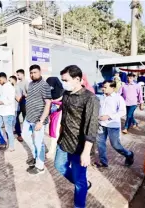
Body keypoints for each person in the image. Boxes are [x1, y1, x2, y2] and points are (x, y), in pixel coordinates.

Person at [55, 65, 99, 208]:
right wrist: (58, 137)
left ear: (78, 79)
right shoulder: (66, 94)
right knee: (59, 165)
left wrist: (86, 152)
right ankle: (83, 185)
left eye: (66, 80)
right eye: (62, 80)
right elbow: (64, 118)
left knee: (79, 181)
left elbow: (92, 126)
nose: (63, 83)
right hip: (64, 142)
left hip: (79, 146)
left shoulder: (90, 98)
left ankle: (79, 204)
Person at [94, 80, 134, 168]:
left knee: (116, 145)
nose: (103, 89)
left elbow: (123, 112)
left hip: (113, 125)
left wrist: (109, 116)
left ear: (112, 88)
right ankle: (103, 162)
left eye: (105, 87)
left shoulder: (118, 98)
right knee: (100, 144)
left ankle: (129, 154)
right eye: (103, 87)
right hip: (101, 124)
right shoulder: (101, 97)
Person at [23, 65, 52, 174]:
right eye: (31, 73)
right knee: (25, 136)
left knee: (38, 142)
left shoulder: (44, 85)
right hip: (28, 117)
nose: (32, 74)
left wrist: (40, 121)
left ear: (40, 72)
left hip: (38, 119)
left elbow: (48, 104)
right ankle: (35, 155)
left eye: (35, 72)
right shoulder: (30, 84)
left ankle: (40, 166)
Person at [0, 72, 16, 152]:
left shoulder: (10, 87)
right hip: (2, 111)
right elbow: (3, 100)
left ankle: (12, 146)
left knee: (8, 129)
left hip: (8, 112)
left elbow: (10, 100)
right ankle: (3, 142)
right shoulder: (4, 87)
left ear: (3, 78)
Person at [46, 77, 64, 159]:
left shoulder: (63, 92)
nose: (50, 87)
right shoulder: (49, 92)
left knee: (55, 131)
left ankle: (52, 150)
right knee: (53, 131)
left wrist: (53, 102)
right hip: (52, 114)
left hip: (59, 113)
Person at [8, 75, 23, 142]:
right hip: (11, 107)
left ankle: (19, 135)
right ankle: (15, 132)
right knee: (12, 121)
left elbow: (19, 99)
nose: (9, 81)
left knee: (16, 121)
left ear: (14, 80)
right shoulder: (12, 87)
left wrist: (13, 95)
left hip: (16, 107)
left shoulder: (17, 87)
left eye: (10, 80)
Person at [16, 69, 29, 136]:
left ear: (22, 74)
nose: (17, 76)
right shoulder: (18, 83)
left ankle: (25, 132)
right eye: (17, 75)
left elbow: (28, 93)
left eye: (18, 75)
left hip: (24, 101)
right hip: (18, 102)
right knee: (16, 117)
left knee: (25, 117)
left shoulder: (26, 82)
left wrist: (23, 96)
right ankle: (18, 131)